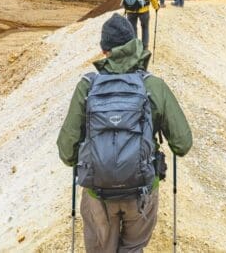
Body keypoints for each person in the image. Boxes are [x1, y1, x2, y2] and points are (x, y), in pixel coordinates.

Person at [58, 14, 192, 253]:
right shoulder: (153, 86)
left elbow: (67, 152)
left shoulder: (87, 87)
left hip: (98, 193)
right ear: (135, 45)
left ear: (104, 51)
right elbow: (182, 144)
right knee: (132, 249)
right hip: (141, 191)